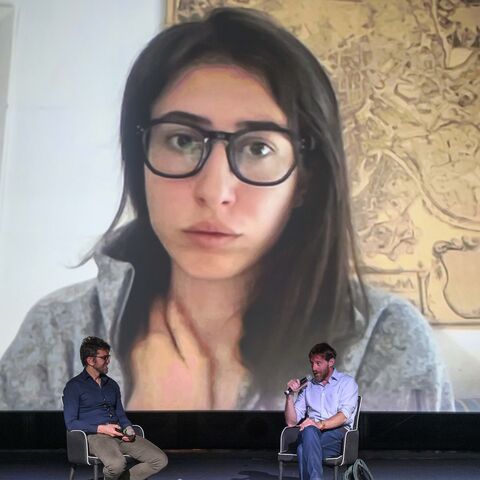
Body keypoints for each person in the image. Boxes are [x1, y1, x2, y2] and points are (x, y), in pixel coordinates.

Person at [0, 7, 454, 411]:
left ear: (305, 180)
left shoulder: (382, 342)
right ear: (140, 157)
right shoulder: (57, 335)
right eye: (181, 140)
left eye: (257, 147)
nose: (214, 191)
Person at [63, 336, 168, 480]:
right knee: (117, 465)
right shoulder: (74, 386)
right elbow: (71, 422)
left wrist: (128, 429)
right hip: (96, 437)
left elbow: (120, 414)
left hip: (120, 434)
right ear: (90, 360)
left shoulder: (111, 385)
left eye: (108, 356)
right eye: (104, 357)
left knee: (159, 459)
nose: (108, 361)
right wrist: (102, 428)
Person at [284, 343, 358, 480]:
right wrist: (289, 397)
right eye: (312, 363)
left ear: (331, 362)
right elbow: (291, 422)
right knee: (307, 435)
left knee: (303, 447)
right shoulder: (308, 387)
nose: (314, 368)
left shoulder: (346, 383)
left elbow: (344, 416)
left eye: (318, 363)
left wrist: (319, 424)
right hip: (312, 434)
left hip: (339, 434)